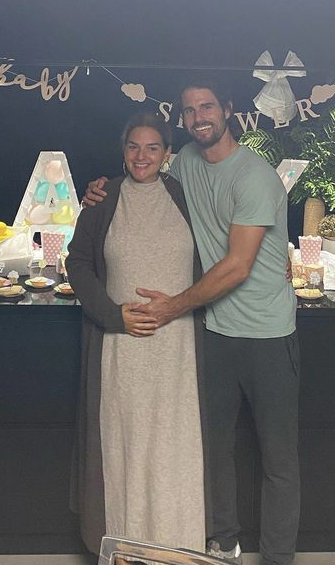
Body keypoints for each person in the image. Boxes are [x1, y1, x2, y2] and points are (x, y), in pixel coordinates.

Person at [84, 79, 300, 565]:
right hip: (214, 331)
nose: (199, 117)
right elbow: (142, 174)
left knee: (277, 459)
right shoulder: (182, 162)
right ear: (181, 120)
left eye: (207, 107)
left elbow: (238, 266)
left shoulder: (255, 177)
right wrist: (99, 189)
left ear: (228, 110)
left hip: (265, 334)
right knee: (214, 448)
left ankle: (278, 558)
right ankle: (222, 543)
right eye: (189, 110)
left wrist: (172, 307)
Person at [68, 112, 208, 555]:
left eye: (152, 148)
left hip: (179, 350)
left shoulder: (187, 196)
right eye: (133, 146)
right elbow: (78, 264)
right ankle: (128, 552)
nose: (141, 156)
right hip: (122, 349)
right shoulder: (104, 199)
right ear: (123, 151)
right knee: (123, 449)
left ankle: (178, 549)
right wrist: (113, 315)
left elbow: (220, 253)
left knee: (175, 448)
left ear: (168, 154)